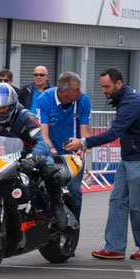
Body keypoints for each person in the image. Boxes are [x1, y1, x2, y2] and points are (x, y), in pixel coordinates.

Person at [65, 68, 140, 260]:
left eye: (107, 87)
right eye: (102, 87)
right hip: (130, 156)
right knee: (117, 200)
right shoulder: (124, 98)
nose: (104, 91)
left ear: (118, 83)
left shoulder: (130, 102)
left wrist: (84, 143)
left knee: (137, 204)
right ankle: (114, 247)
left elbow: (114, 132)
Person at [0, 83, 67, 229]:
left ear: (13, 104)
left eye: (4, 107)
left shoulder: (26, 117)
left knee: (50, 171)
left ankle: (57, 206)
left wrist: (33, 157)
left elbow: (42, 142)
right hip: (5, 159)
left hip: (31, 156)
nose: (0, 111)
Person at [37, 71, 91, 217]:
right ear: (64, 91)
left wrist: (82, 148)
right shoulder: (45, 99)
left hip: (74, 155)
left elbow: (85, 133)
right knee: (46, 190)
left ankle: (73, 226)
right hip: (51, 153)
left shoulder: (84, 101)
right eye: (76, 89)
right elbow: (44, 134)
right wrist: (51, 150)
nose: (80, 92)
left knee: (75, 191)